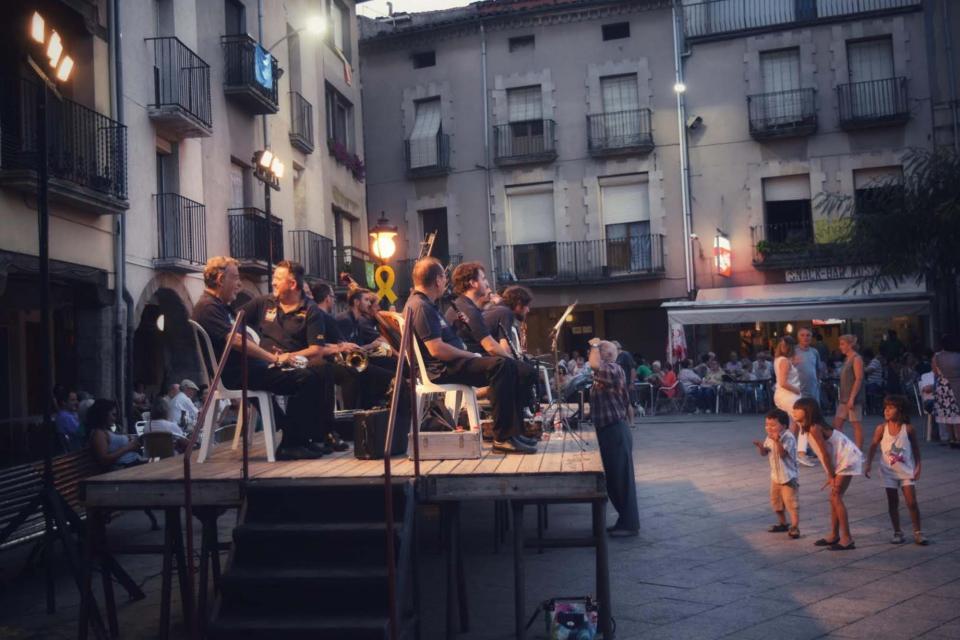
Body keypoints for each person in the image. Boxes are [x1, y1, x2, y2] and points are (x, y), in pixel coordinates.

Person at [193, 256, 333, 460]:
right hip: (237, 374)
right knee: (306, 378)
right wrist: (273, 359)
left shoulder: (220, 306)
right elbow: (236, 340)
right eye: (236, 278)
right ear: (221, 279)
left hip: (249, 369)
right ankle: (291, 443)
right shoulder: (208, 307)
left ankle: (303, 438)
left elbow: (241, 333)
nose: (239, 284)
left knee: (316, 372)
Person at [407, 257, 534, 454]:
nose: (446, 282)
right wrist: (470, 355)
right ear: (438, 280)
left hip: (448, 364)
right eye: (444, 278)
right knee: (502, 366)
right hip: (442, 368)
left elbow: (440, 338)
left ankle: (512, 434)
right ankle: (502, 438)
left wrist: (456, 328)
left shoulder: (425, 304)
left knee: (505, 366)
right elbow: (436, 349)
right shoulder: (422, 307)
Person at [242, 261, 353, 448]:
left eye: (278, 279)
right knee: (313, 376)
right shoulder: (263, 302)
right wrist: (258, 350)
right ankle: (303, 437)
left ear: (292, 284)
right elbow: (235, 325)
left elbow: (315, 349)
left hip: (296, 362)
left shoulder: (311, 310)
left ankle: (318, 433)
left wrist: (289, 356)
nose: (273, 283)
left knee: (322, 370)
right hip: (267, 363)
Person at [793, 397, 862, 551]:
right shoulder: (808, 427)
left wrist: (831, 476)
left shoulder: (814, 428)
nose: (794, 411)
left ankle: (847, 539)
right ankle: (834, 534)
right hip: (840, 458)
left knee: (836, 496)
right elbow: (825, 453)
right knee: (833, 498)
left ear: (808, 411)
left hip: (847, 457)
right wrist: (830, 474)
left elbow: (824, 453)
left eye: (798, 409)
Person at [588, 340, 639, 536]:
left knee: (621, 480)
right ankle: (624, 521)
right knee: (614, 480)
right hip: (609, 430)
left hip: (615, 431)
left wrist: (594, 344)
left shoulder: (613, 369)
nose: (591, 354)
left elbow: (594, 365)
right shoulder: (607, 372)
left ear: (606, 354)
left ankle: (629, 524)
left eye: (597, 351)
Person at [864, 395, 928, 546]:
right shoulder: (881, 429)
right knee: (892, 502)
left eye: (891, 408)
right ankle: (897, 531)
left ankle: (918, 532)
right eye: (885, 407)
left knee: (911, 502)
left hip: (906, 470)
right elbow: (873, 446)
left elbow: (916, 449)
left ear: (900, 411)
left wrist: (918, 466)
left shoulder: (908, 429)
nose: (886, 410)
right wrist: (868, 464)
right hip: (888, 471)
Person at [752, 409, 800, 539]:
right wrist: (760, 447)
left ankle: (795, 526)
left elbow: (783, 454)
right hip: (775, 477)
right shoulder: (770, 437)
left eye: (773, 425)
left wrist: (777, 441)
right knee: (776, 502)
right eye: (767, 425)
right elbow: (765, 453)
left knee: (791, 503)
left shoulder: (788, 437)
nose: (769, 428)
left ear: (784, 426)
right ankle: (783, 523)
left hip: (788, 477)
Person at [773, 337, 810, 464]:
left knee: (792, 424)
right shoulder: (784, 361)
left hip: (782, 396)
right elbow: (783, 382)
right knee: (805, 422)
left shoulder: (779, 360)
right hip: (789, 396)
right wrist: (797, 390)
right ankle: (801, 453)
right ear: (791, 348)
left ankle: (789, 450)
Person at [87, 399, 142, 470]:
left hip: (134, 463)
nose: (115, 419)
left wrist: (129, 438)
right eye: (113, 415)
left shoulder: (107, 430)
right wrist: (128, 448)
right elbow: (104, 460)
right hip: (124, 468)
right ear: (104, 414)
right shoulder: (98, 434)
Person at [833, 334, 866, 450]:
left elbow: (859, 378)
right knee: (837, 424)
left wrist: (852, 398)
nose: (840, 347)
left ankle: (858, 450)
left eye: (842, 344)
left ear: (850, 344)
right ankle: (843, 449)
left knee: (855, 424)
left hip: (852, 397)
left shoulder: (856, 358)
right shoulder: (847, 359)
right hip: (844, 397)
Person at [932, 334, 960, 447]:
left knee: (947, 414)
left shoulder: (936, 357)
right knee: (958, 414)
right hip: (957, 385)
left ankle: (951, 438)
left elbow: (935, 372)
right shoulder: (958, 356)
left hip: (943, 386)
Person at [794, 327, 822, 404]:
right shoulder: (792, 351)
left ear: (811, 337)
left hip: (813, 390)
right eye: (802, 335)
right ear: (798, 337)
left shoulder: (814, 352)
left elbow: (818, 369)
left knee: (813, 413)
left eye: (808, 335)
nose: (805, 337)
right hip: (797, 390)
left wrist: (817, 383)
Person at [54, 386, 82, 450]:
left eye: (76, 400)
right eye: (73, 400)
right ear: (64, 402)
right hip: (74, 452)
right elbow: (82, 432)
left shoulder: (70, 414)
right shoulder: (65, 417)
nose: (76, 402)